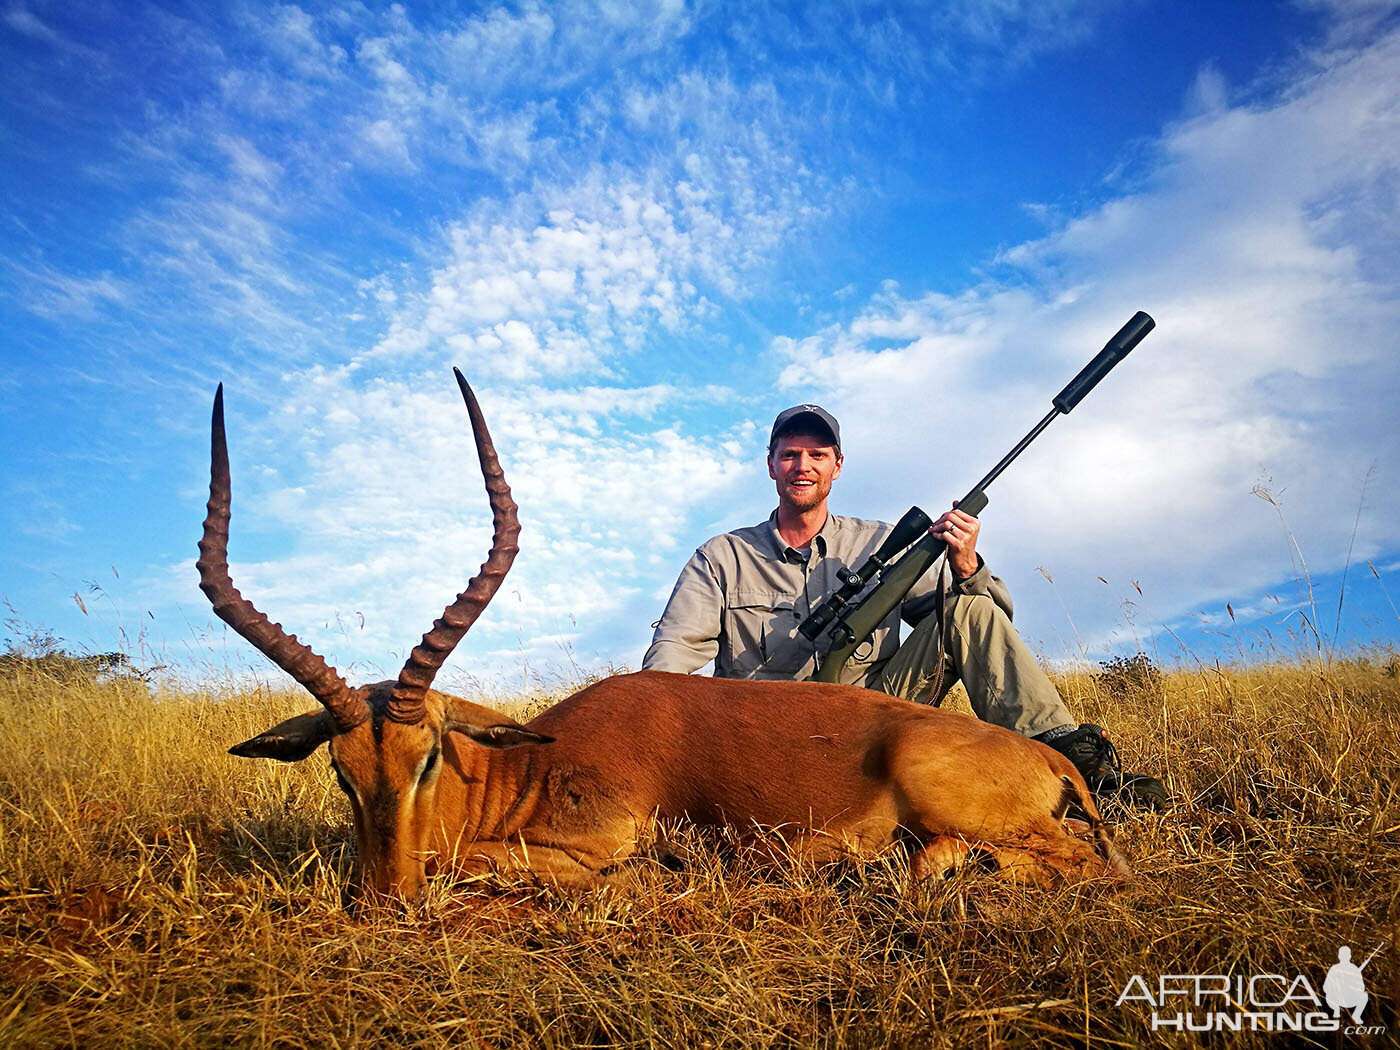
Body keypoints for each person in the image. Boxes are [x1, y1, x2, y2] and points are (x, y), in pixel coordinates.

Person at [642, 403, 1167, 807]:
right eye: (790, 455)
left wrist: (965, 564)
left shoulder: (882, 547)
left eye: (817, 456)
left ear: (838, 467)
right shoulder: (722, 556)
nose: (803, 466)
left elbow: (991, 619)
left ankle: (1070, 764)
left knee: (970, 609)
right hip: (763, 740)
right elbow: (668, 663)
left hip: (871, 721)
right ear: (771, 465)